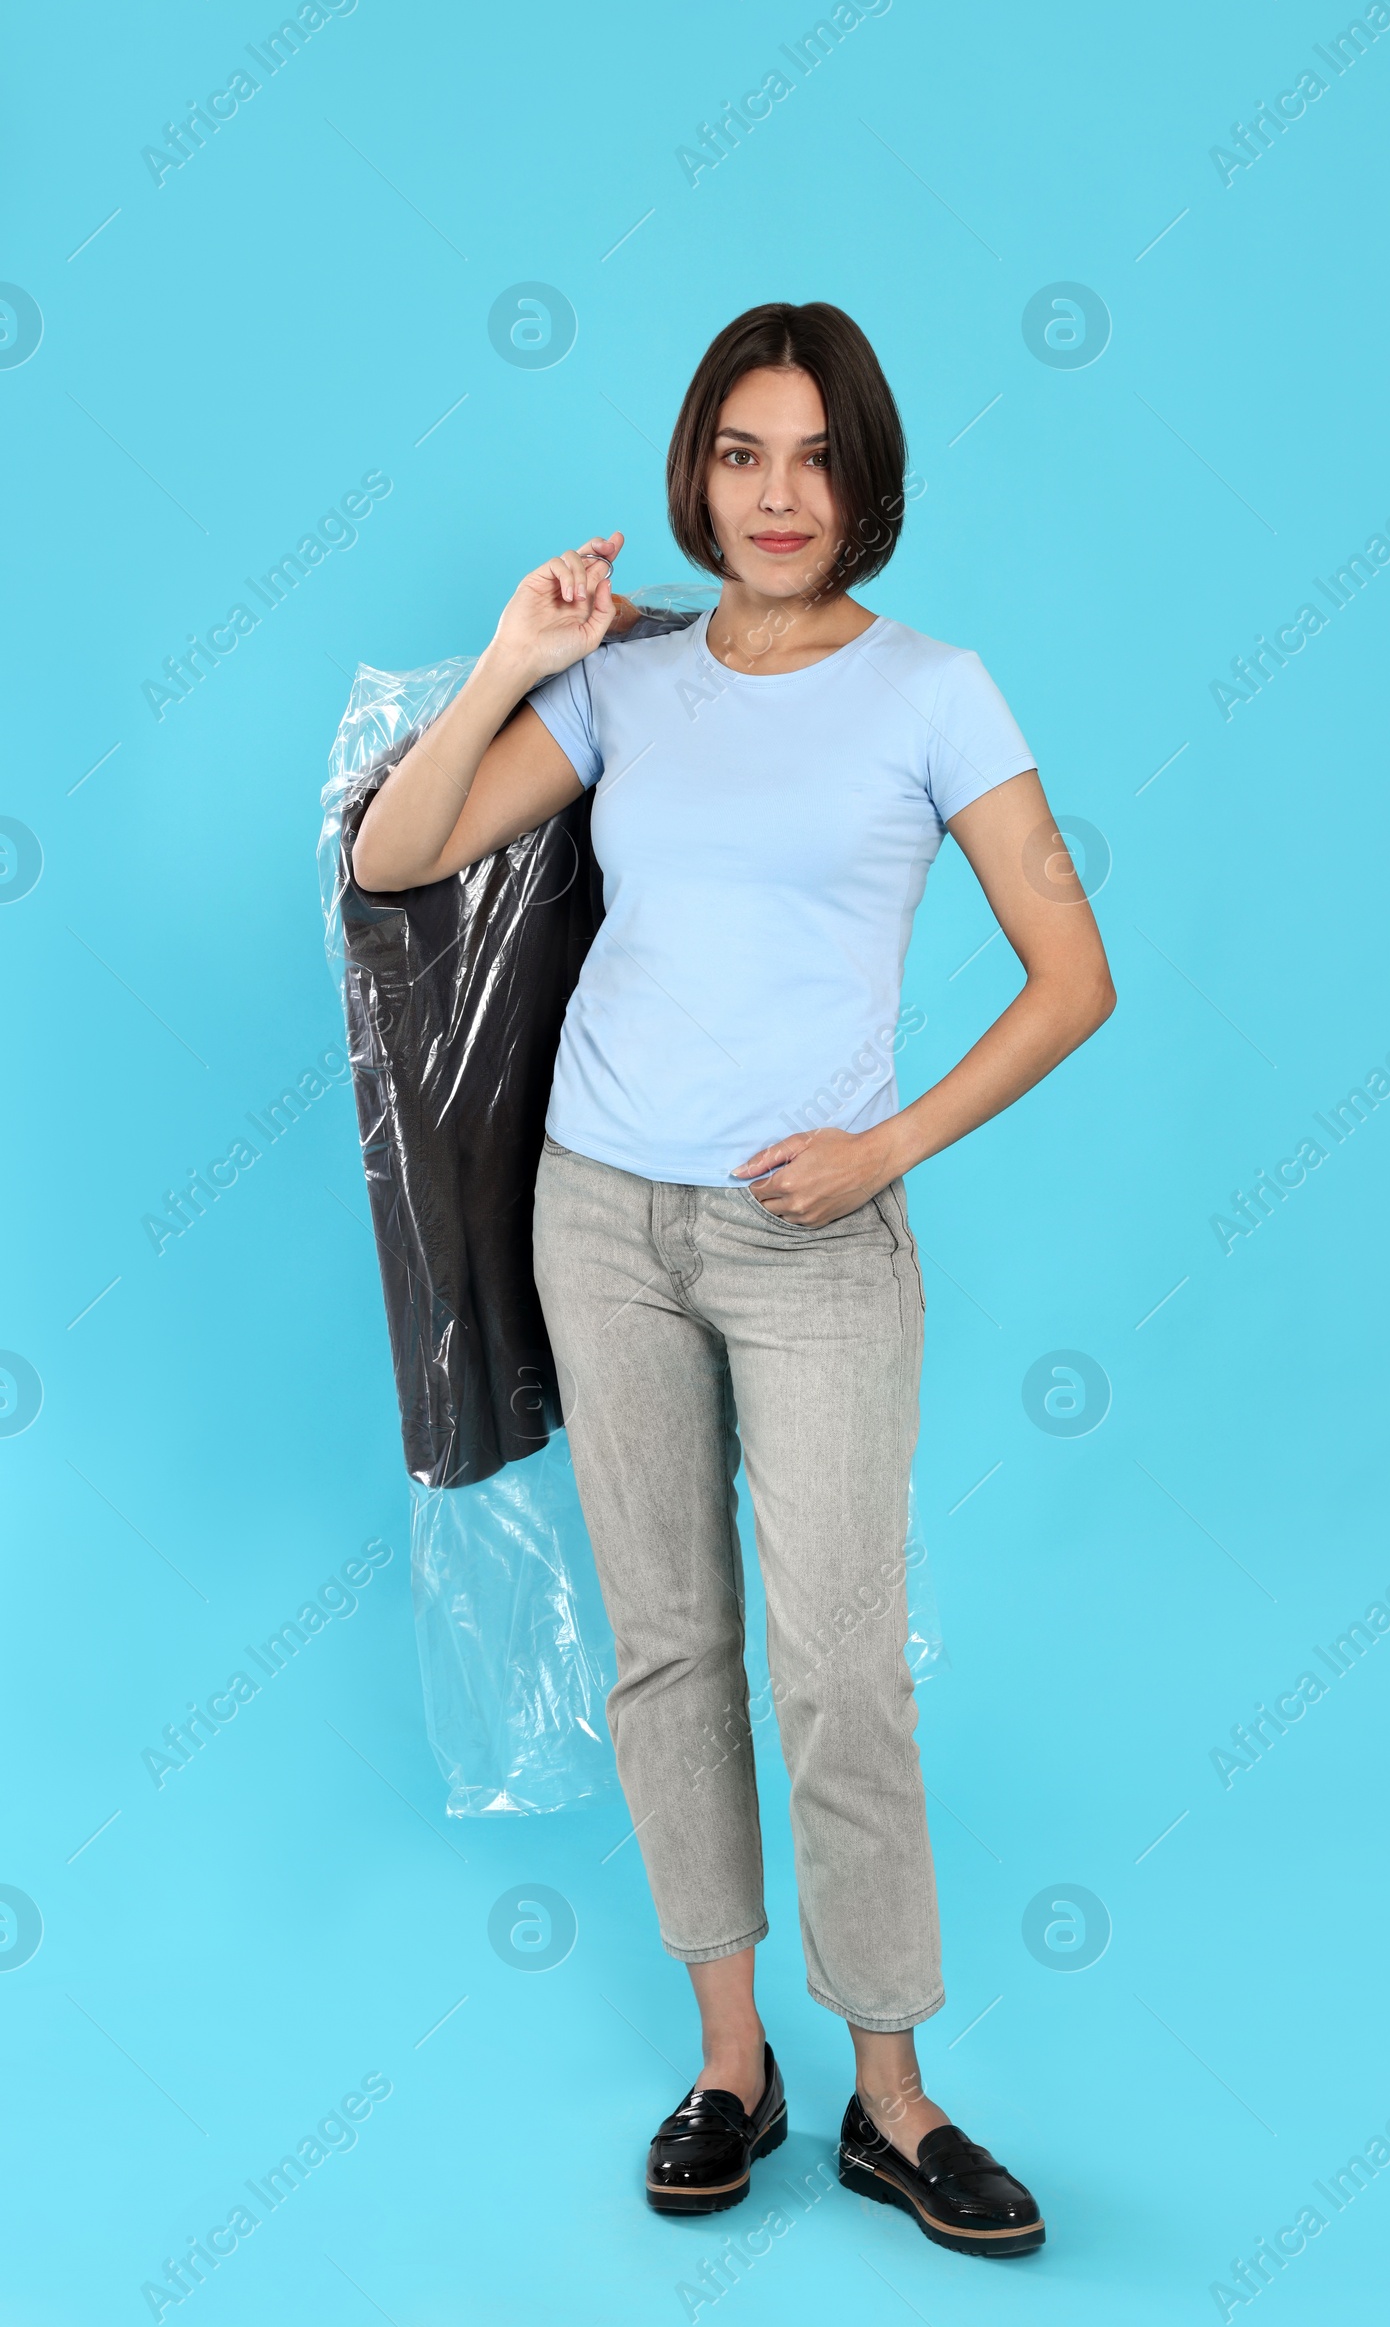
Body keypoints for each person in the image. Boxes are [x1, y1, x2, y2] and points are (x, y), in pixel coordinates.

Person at [352, 301, 1115, 2257]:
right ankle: (730, 2064)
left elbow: (1070, 977)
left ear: (864, 481)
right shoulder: (633, 683)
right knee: (667, 1648)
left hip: (811, 1237)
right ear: (693, 470)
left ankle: (891, 2097)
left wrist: (887, 1146)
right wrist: (522, 661)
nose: (774, 496)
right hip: (597, 1214)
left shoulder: (935, 690)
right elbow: (399, 858)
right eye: (737, 454)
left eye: (812, 458)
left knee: (839, 1663)